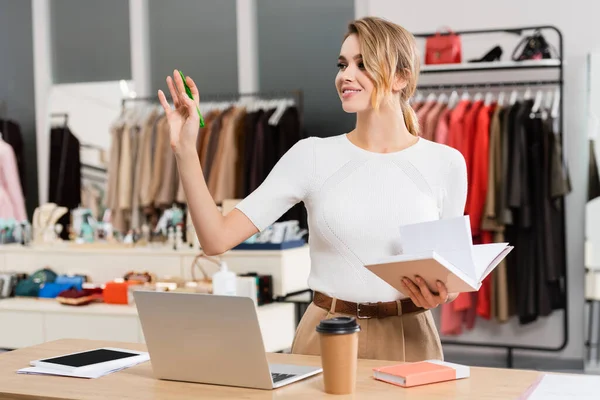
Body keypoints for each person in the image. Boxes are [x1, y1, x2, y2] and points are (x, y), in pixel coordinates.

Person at [157, 16, 467, 362]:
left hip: (412, 339)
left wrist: (439, 294)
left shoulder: (446, 163)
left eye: (363, 64)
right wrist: (185, 151)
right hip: (326, 335)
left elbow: (450, 281)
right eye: (342, 64)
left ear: (401, 77)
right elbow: (215, 240)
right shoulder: (311, 156)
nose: (345, 75)